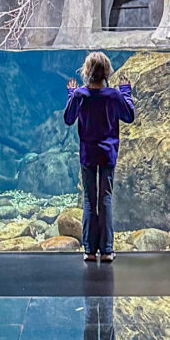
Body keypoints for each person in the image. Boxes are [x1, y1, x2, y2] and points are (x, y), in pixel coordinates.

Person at [63, 51, 135, 263]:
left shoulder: (80, 95)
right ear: (107, 71)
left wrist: (72, 94)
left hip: (88, 154)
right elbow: (129, 116)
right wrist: (125, 92)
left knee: (89, 199)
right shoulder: (113, 95)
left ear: (86, 71)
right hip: (108, 154)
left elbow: (68, 119)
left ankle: (89, 250)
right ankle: (106, 250)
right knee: (105, 199)